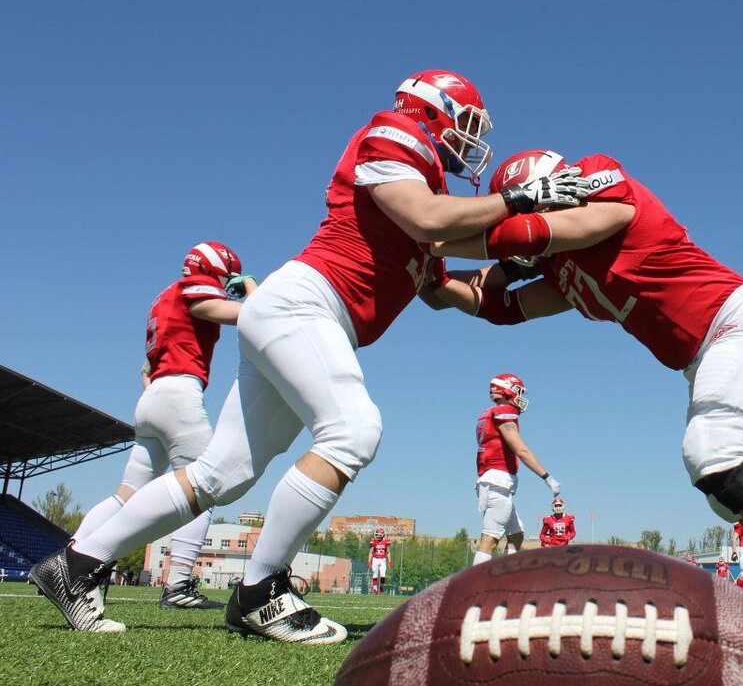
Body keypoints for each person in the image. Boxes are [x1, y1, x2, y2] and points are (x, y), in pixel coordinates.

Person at [32, 70, 591, 642]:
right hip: (305, 305)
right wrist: (516, 201)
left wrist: (525, 253)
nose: (469, 142)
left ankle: (75, 565)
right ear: (432, 110)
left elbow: (458, 292)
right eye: (467, 125)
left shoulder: (428, 206)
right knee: (352, 430)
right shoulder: (396, 136)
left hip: (298, 318)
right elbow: (429, 218)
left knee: (220, 474)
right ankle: (260, 591)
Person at [425, 148, 743, 646]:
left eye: (519, 206)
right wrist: (433, 279)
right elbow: (499, 305)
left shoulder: (597, 180)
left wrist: (432, 230)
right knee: (727, 495)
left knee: (713, 456)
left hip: (738, 323)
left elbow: (542, 231)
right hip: (706, 354)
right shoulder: (563, 271)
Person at [66, 243, 254, 626]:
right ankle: (179, 585)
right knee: (207, 485)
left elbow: (145, 367)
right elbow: (238, 313)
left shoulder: (163, 296)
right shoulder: (193, 290)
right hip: (179, 394)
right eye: (226, 277)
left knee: (127, 493)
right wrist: (252, 288)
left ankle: (68, 559)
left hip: (152, 394)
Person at [474, 373, 560, 564]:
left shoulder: (488, 414)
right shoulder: (503, 412)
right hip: (498, 481)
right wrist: (546, 476)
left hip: (494, 480)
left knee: (516, 535)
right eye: (518, 392)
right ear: (507, 390)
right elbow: (520, 449)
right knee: (489, 539)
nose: (521, 397)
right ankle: (474, 590)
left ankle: (505, 576)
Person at [367, 528, 390, 595]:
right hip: (375, 559)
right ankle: (375, 589)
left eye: (379, 535)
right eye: (377, 535)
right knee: (375, 574)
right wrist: (369, 561)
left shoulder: (386, 541)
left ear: (382, 535)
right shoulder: (374, 541)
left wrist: (389, 562)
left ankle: (381, 588)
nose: (377, 536)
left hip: (383, 559)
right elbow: (371, 552)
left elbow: (388, 552)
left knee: (383, 575)